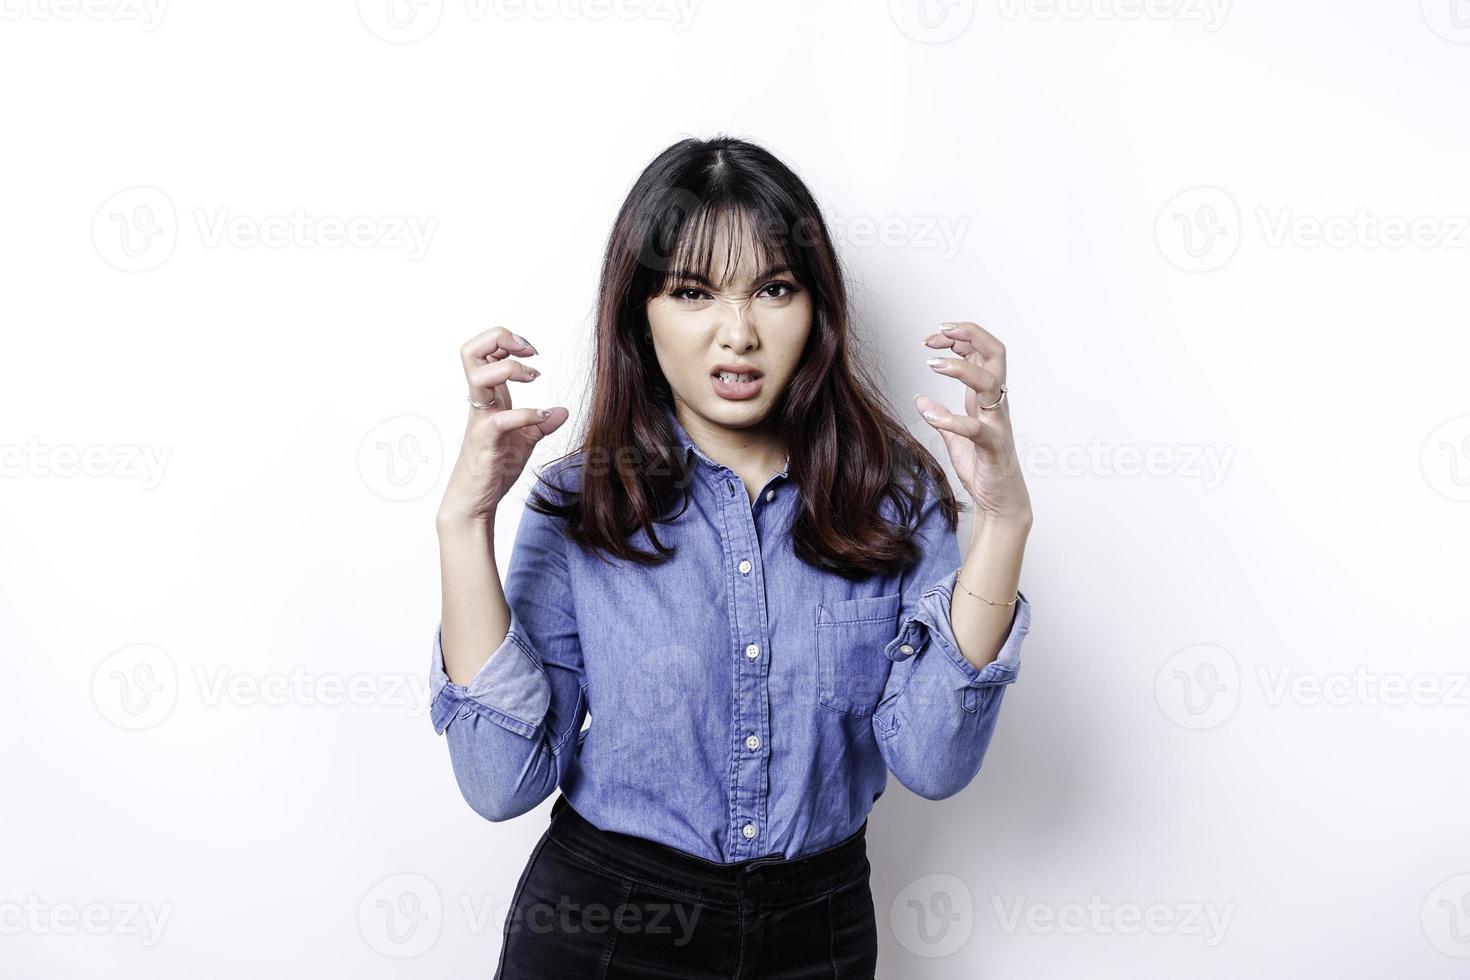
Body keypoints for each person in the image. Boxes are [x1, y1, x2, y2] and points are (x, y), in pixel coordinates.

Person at [429, 135, 1033, 978]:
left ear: (816, 307)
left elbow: (934, 762)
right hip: (602, 931)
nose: (737, 333)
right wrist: (465, 520)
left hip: (817, 936)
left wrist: (1002, 524)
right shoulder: (584, 503)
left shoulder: (893, 500)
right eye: (692, 291)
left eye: (774, 289)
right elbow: (500, 783)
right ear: (641, 312)